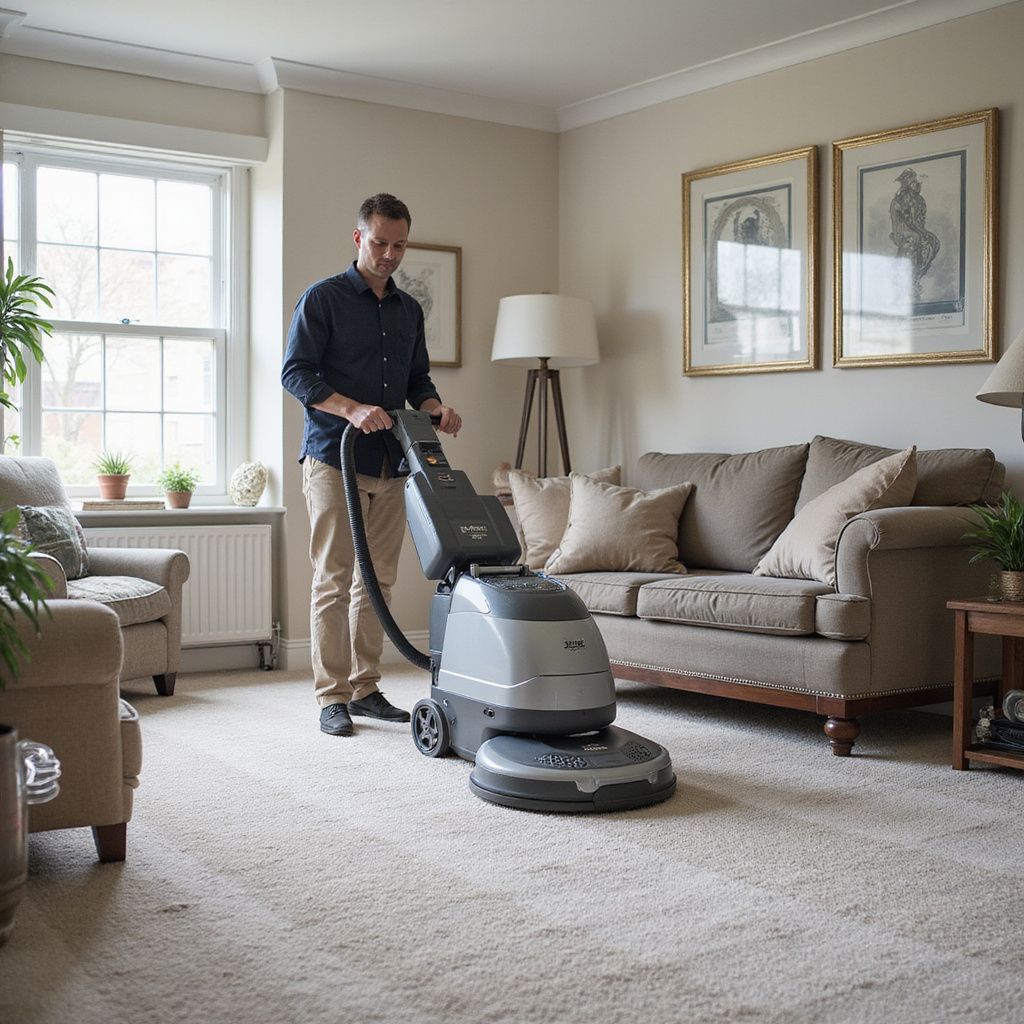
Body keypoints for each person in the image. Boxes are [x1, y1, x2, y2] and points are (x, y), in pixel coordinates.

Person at [281, 193, 462, 736]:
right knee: (333, 581)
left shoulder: (408, 310)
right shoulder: (324, 299)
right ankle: (331, 696)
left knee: (379, 582)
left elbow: (417, 381)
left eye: (399, 245)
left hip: (391, 464)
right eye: (380, 242)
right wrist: (351, 408)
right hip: (334, 460)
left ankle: (365, 687)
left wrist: (435, 407)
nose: (389, 254)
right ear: (359, 238)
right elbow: (296, 373)